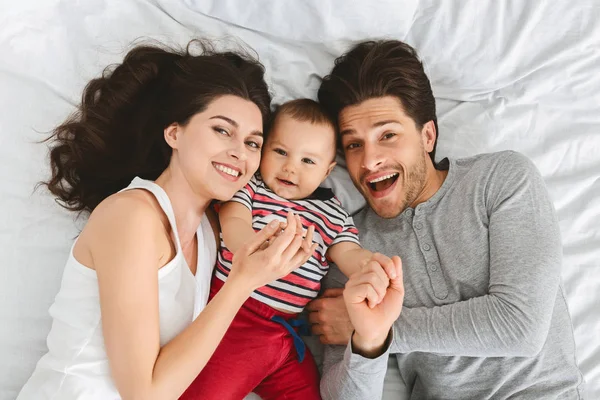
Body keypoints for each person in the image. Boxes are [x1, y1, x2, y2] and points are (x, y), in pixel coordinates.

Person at [17, 40, 316, 400]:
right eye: (222, 130)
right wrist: (241, 282)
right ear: (174, 133)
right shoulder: (132, 217)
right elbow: (144, 394)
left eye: (253, 143)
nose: (239, 151)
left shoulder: (212, 230)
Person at [308, 40, 585, 399]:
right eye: (354, 144)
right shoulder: (348, 245)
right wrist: (367, 344)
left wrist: (383, 329)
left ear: (427, 135)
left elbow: (520, 327)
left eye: (388, 135)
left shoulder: (501, 179)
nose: (369, 160)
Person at [181, 99, 399, 400]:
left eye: (307, 161)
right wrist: (254, 249)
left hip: (286, 334)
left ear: (327, 170)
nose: (290, 167)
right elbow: (234, 222)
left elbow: (347, 252)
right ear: (264, 148)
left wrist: (371, 266)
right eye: (280, 152)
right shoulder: (251, 188)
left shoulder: (333, 215)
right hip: (237, 318)